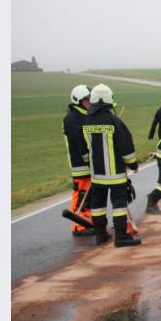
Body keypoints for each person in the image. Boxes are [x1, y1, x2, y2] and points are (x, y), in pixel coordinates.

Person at [82, 84, 141, 247]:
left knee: (98, 206)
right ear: (109, 100)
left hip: (96, 174)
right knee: (119, 205)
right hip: (115, 174)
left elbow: (84, 148)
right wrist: (133, 165)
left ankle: (100, 235)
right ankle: (121, 237)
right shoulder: (114, 121)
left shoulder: (86, 121)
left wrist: (90, 163)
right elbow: (126, 148)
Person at [63, 85, 94, 236]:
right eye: (86, 100)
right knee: (81, 194)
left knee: (89, 195)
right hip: (80, 164)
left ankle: (88, 222)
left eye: (90, 99)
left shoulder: (84, 115)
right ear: (78, 100)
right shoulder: (72, 118)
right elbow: (79, 141)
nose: (89, 102)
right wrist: (88, 159)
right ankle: (78, 227)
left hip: (88, 163)